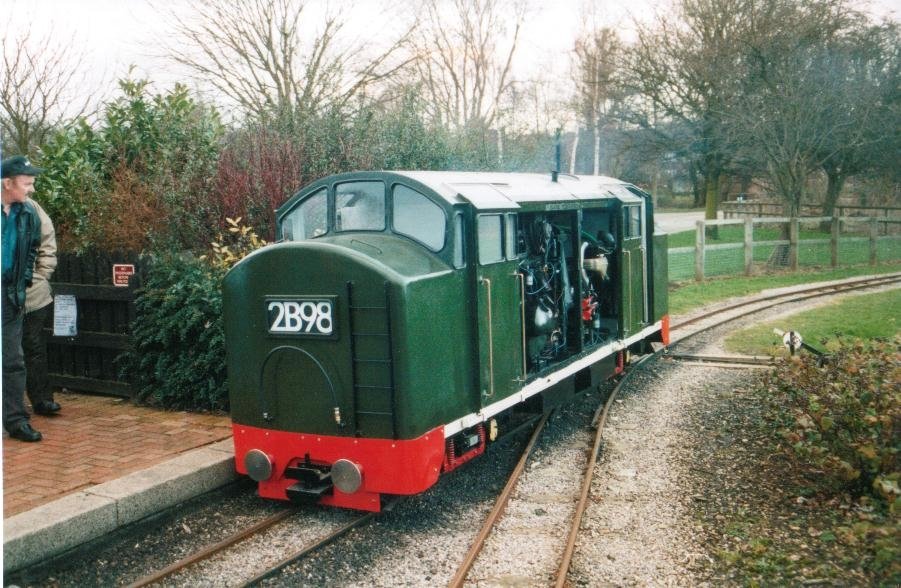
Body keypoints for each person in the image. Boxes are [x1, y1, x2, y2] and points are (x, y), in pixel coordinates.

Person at [2, 155, 44, 442]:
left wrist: (24, 280)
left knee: (14, 360)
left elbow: (32, 250)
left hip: (9, 297)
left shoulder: (28, 212)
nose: (31, 189)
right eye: (27, 183)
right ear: (7, 183)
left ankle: (16, 421)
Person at [23, 197, 59, 415]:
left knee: (34, 347)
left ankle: (42, 400)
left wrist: (42, 275)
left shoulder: (29, 205)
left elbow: (47, 237)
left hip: (31, 295)